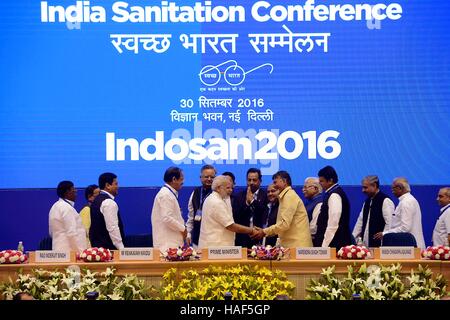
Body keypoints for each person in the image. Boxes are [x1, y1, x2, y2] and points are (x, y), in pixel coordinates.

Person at [251, 171, 313, 248]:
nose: (274, 185)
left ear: (284, 181)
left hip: (297, 247)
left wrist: (264, 231)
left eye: (275, 182)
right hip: (292, 245)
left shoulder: (289, 196)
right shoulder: (285, 196)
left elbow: (284, 224)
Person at [198, 175, 258, 249]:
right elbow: (230, 226)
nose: (231, 190)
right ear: (218, 188)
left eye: (231, 188)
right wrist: (251, 230)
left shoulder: (212, 198)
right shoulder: (217, 202)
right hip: (217, 248)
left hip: (214, 247)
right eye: (228, 188)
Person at [374, 177, 425, 248]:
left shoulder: (406, 202)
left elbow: (405, 227)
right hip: (409, 246)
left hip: (410, 247)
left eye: (393, 188)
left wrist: (385, 233)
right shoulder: (408, 200)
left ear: (400, 188)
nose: (392, 191)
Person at [314, 166, 352, 248]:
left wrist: (324, 246)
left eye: (322, 181)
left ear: (330, 180)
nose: (319, 183)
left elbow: (333, 223)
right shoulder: (332, 193)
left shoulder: (334, 195)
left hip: (334, 244)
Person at [151, 167, 187, 252]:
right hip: (168, 245)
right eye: (181, 179)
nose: (183, 182)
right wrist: (183, 229)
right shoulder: (166, 195)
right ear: (174, 179)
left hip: (171, 243)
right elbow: (167, 218)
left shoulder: (168, 193)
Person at [352, 176, 394, 247]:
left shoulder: (385, 201)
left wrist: (385, 240)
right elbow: (360, 222)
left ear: (374, 186)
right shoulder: (367, 202)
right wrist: (353, 240)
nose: (363, 190)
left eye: (365, 187)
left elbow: (390, 223)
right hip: (366, 245)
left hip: (380, 246)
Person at [232, 168, 268, 248]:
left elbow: (263, 213)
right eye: (249, 180)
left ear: (260, 181)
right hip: (242, 237)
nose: (251, 183)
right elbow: (236, 216)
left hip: (259, 236)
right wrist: (247, 204)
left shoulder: (266, 195)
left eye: (254, 180)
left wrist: (252, 201)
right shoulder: (239, 196)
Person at [90, 173, 125, 250]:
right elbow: (113, 227)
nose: (117, 187)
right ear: (108, 185)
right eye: (116, 184)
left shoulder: (96, 200)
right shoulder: (108, 202)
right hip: (109, 250)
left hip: (99, 249)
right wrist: (121, 248)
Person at [49, 181, 87, 252]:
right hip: (70, 252)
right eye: (73, 189)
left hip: (58, 249)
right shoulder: (66, 208)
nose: (76, 191)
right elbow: (71, 233)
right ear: (67, 192)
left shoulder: (54, 206)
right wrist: (80, 252)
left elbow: (51, 232)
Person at [186, 165, 216, 247]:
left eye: (212, 177)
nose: (209, 179)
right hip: (197, 238)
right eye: (206, 177)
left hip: (214, 239)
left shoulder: (218, 193)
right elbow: (191, 215)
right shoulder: (195, 192)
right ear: (201, 178)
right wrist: (188, 232)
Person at [302, 177, 323, 242]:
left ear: (315, 188)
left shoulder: (320, 203)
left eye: (305, 187)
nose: (303, 190)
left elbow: (313, 228)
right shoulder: (310, 203)